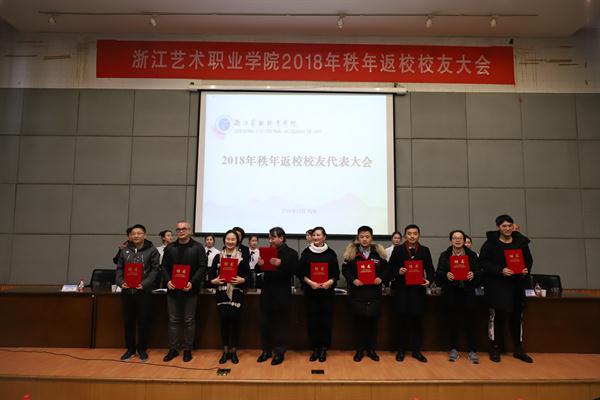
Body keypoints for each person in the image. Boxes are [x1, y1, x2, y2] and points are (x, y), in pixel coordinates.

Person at [480, 214, 534, 363]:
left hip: (517, 285)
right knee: (498, 317)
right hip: (497, 285)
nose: (507, 228)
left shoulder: (521, 242)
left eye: (510, 225)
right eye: (504, 226)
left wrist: (525, 269)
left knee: (516, 318)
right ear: (498, 227)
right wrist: (500, 270)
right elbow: (483, 262)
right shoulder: (490, 243)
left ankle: (518, 349)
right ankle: (495, 348)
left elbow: (528, 260)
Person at [161, 220, 208, 363]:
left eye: (184, 229)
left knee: (189, 320)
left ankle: (187, 349)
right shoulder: (170, 247)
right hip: (173, 289)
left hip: (190, 290)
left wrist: (192, 282)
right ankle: (173, 349)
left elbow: (202, 267)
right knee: (173, 320)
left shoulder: (198, 247)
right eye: (178, 229)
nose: (181, 231)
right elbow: (164, 267)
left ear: (190, 231)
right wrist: (168, 280)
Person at [388, 224, 434, 363]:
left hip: (418, 292)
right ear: (405, 235)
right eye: (409, 233)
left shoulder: (425, 250)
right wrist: (398, 271)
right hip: (402, 291)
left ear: (419, 235)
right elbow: (390, 268)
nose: (412, 236)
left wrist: (429, 281)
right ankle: (401, 350)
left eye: (415, 233)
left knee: (417, 323)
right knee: (401, 322)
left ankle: (416, 351)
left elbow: (430, 269)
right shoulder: (398, 250)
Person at [342, 225, 388, 362]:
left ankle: (371, 350)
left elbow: (387, 270)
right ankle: (360, 350)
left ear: (371, 238)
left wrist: (381, 278)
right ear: (358, 238)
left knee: (373, 324)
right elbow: (345, 270)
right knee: (359, 324)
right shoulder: (351, 253)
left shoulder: (379, 253)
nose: (364, 239)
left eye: (367, 236)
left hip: (374, 294)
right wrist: (353, 280)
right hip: (357, 294)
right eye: (362, 237)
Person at [435, 230, 482, 364]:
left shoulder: (472, 255)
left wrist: (474, 275)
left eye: (460, 238)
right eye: (455, 238)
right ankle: (454, 349)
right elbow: (438, 274)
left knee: (470, 322)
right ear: (451, 240)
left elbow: (480, 273)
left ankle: (472, 350)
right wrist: (446, 275)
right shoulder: (444, 255)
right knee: (452, 322)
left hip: (468, 293)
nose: (457, 240)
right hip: (451, 293)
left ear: (464, 240)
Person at [115, 224, 160, 361]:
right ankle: (130, 349)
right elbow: (119, 269)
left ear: (145, 235)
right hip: (127, 292)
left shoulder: (152, 250)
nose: (136, 236)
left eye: (139, 233)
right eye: (133, 233)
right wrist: (120, 282)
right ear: (130, 236)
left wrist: (144, 284)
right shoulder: (124, 250)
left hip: (144, 292)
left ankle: (142, 349)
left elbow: (155, 270)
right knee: (128, 321)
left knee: (143, 321)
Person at [255, 227, 298, 365]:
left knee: (280, 325)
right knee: (264, 324)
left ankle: (279, 352)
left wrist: (281, 264)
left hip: (281, 293)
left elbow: (296, 271)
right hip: (267, 292)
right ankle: (266, 351)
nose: (270, 240)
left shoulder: (291, 253)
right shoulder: (266, 251)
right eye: (269, 238)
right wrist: (259, 264)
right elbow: (257, 269)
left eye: (273, 238)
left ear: (281, 238)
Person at [298, 226, 339, 362]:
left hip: (327, 293)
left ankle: (323, 349)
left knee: (325, 322)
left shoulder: (331, 253)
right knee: (313, 321)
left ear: (324, 237)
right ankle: (315, 348)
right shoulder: (306, 253)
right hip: (311, 292)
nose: (316, 237)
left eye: (318, 235)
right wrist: (310, 282)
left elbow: (336, 273)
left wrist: (330, 282)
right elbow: (300, 272)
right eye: (314, 235)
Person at [209, 230, 250, 364]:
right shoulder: (217, 257)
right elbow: (210, 277)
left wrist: (242, 280)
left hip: (237, 294)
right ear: (224, 240)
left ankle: (234, 351)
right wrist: (214, 281)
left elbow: (249, 277)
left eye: (233, 239)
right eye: (228, 239)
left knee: (235, 323)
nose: (230, 242)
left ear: (237, 241)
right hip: (221, 294)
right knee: (224, 323)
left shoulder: (242, 257)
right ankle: (225, 351)